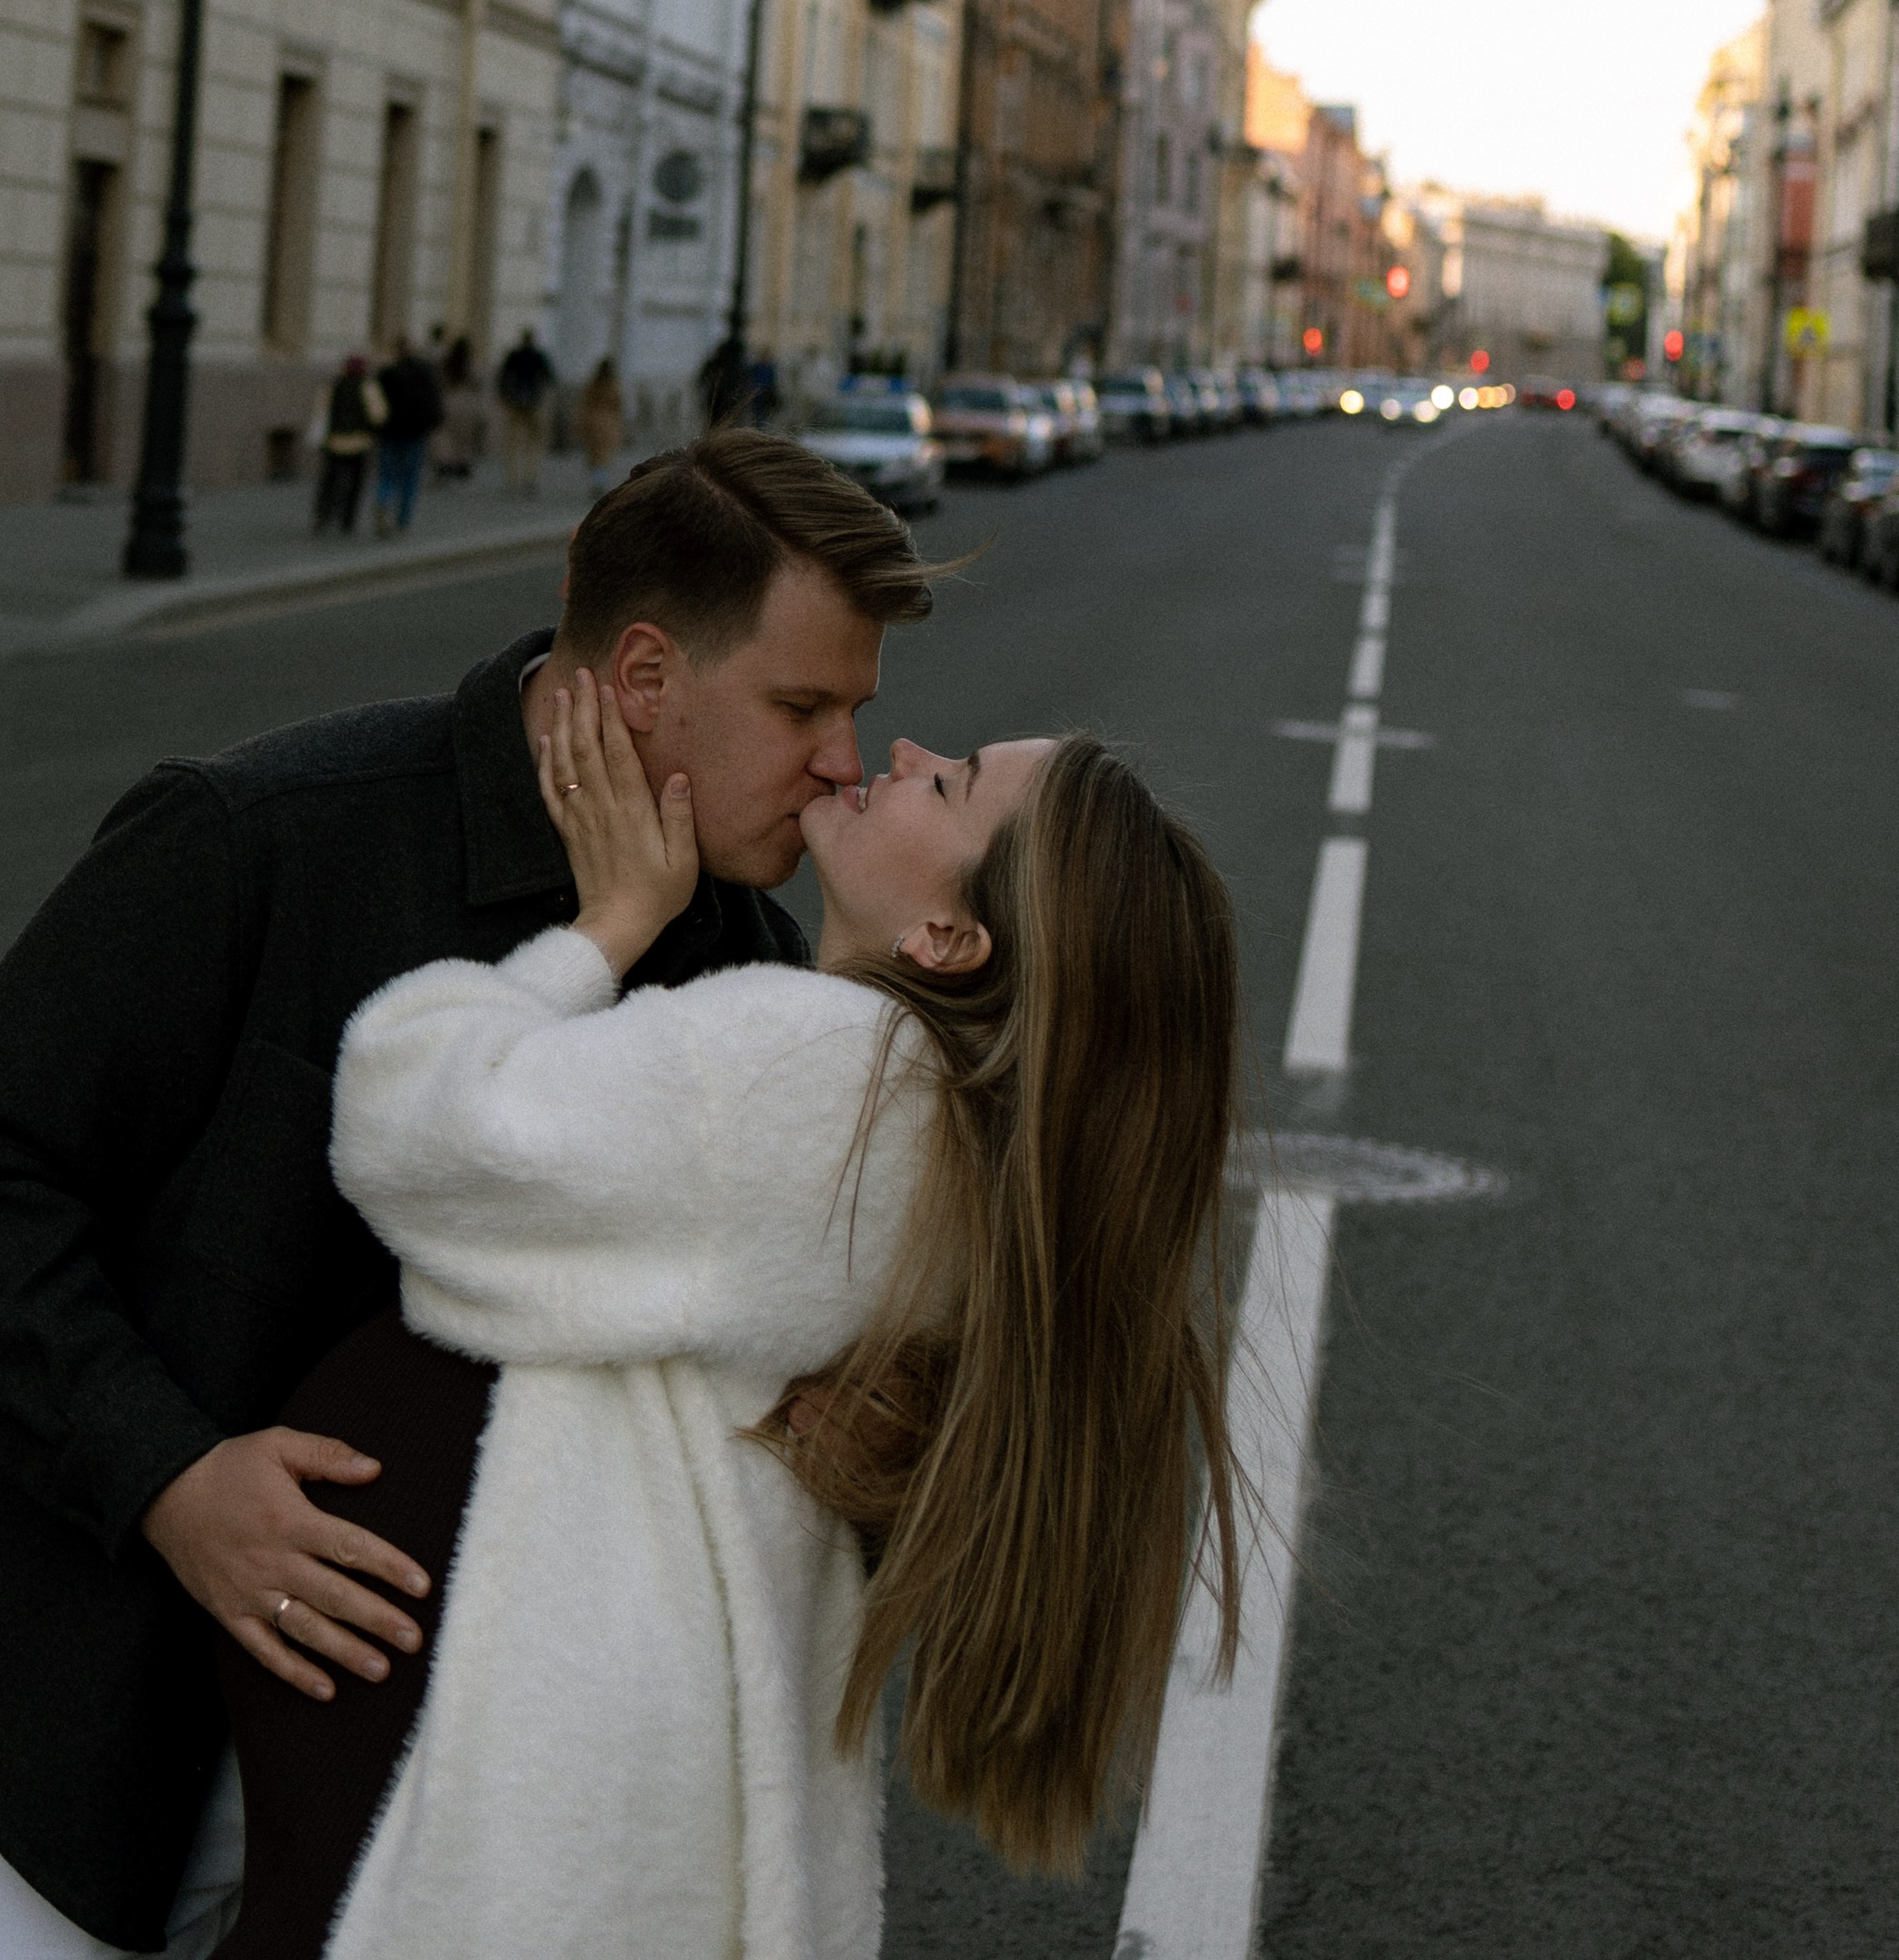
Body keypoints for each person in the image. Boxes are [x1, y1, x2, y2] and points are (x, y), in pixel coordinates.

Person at [0, 436, 937, 1955]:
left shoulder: (754, 971)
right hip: (101, 1767)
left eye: (856, 712)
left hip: (476, 1841)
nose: (841, 760)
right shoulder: (262, 839)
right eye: (801, 704)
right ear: (642, 673)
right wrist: (169, 1475)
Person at [214, 685, 1245, 1957]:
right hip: (642, 1725)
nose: (905, 751)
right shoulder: (962, 1148)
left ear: (945, 933)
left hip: (537, 1728)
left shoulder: (806, 1067)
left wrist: (604, 927)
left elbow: (416, 1124)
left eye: (951, 782)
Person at [372, 339, 444, 538]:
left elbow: (376, 404)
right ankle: (402, 521)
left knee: (387, 475)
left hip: (389, 432)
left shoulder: (386, 375)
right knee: (410, 479)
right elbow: (433, 402)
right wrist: (432, 424)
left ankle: (382, 501)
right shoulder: (423, 374)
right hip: (414, 433)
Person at [308, 358, 386, 536]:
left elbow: (320, 412)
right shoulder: (368, 388)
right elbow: (379, 415)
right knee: (356, 483)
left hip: (335, 442)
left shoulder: (332, 386)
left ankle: (323, 515)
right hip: (360, 442)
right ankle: (347, 519)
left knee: (331, 480)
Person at [495, 328, 556, 496]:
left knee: (514, 443)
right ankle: (530, 477)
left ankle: (513, 479)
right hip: (534, 403)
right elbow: (549, 378)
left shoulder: (514, 355)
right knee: (534, 443)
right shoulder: (538, 356)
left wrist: (506, 397)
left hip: (515, 402)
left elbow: (503, 378)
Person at [432, 337, 484, 481]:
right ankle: (462, 463)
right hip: (466, 402)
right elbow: (477, 383)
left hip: (448, 401)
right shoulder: (470, 364)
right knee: (464, 436)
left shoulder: (447, 363)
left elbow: (440, 381)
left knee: (446, 435)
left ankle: (445, 462)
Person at [575, 356, 626, 494]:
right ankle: (599, 481)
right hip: (608, 423)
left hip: (592, 421)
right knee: (604, 455)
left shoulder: (592, 385)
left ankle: (597, 481)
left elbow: (585, 403)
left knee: (594, 455)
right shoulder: (614, 386)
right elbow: (618, 405)